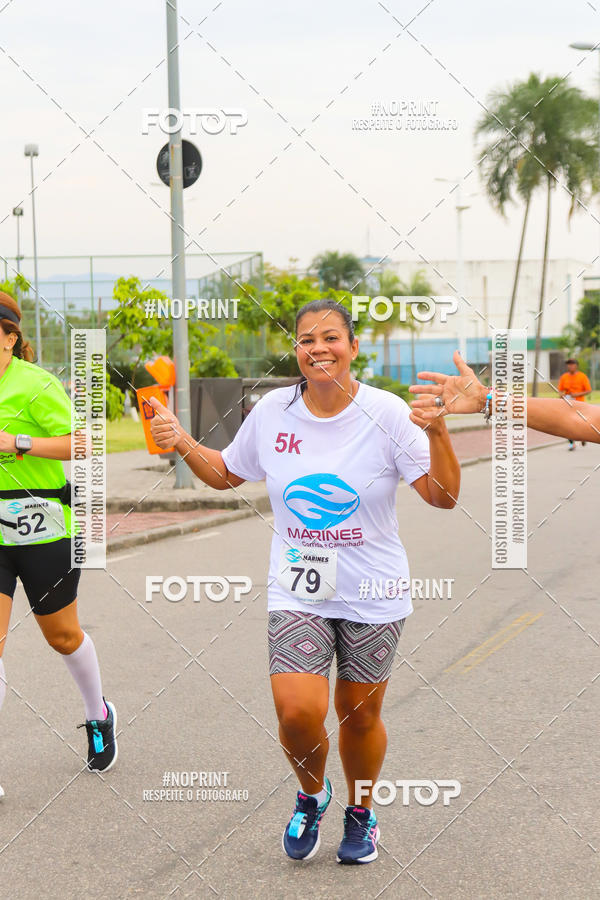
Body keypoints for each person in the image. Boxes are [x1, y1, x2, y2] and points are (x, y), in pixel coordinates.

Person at [149, 299, 460, 864]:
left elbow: (442, 497)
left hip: (373, 590)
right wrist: (182, 440)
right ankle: (312, 795)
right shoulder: (273, 411)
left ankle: (361, 813)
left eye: (331, 337)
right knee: (296, 712)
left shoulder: (387, 413)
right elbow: (227, 473)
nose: (319, 348)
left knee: (360, 716)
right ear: (296, 349)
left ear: (353, 347)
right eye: (307, 339)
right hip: (299, 588)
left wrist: (438, 434)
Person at [0, 292, 117, 800]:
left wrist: (18, 443)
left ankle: (98, 713)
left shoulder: (35, 385)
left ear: (10, 338)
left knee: (63, 637)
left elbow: (83, 443)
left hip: (44, 529)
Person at [408, 349, 600, 445]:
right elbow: (578, 417)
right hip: (573, 409)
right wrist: (484, 398)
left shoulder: (582, 377)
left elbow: (582, 417)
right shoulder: (565, 377)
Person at [557, 359, 591, 450]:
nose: (570, 366)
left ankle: (583, 437)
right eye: (568, 364)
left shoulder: (582, 376)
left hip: (580, 404)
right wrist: (562, 395)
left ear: (576, 366)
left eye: (572, 364)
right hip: (568, 403)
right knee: (567, 424)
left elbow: (588, 390)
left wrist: (577, 394)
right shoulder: (564, 377)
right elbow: (560, 390)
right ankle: (572, 443)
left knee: (581, 423)